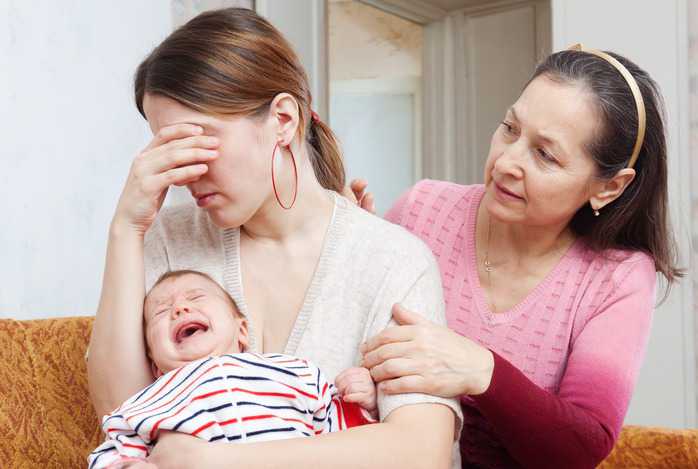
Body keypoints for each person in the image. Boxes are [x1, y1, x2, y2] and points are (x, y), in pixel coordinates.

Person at [87, 7, 462, 469]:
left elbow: (420, 451)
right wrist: (126, 228)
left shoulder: (391, 259)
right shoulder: (169, 238)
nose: (185, 174)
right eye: (170, 149)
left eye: (200, 142)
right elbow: (121, 415)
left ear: (283, 119)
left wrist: (215, 463)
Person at [352, 45, 681, 468]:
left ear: (609, 188)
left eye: (545, 154)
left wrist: (482, 371)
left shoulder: (615, 277)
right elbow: (350, 353)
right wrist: (349, 252)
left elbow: (581, 449)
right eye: (509, 128)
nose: (507, 161)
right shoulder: (422, 209)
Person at [88, 270, 378, 469]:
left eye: (197, 297)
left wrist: (361, 403)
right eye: (162, 311)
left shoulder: (294, 371)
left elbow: (336, 432)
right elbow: (111, 450)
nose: (179, 309)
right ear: (154, 365)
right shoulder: (147, 401)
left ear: (241, 330)